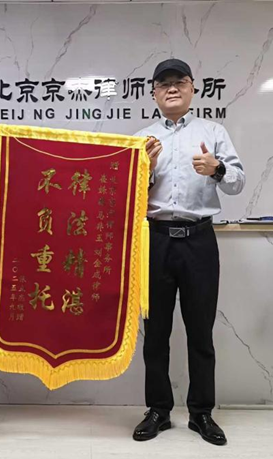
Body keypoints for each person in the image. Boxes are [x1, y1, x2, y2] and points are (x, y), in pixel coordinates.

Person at [132, 59, 245, 446]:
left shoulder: (213, 132)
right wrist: (145, 169)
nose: (172, 89)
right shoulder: (143, 138)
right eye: (163, 84)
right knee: (155, 333)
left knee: (200, 331)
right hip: (156, 240)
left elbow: (237, 182)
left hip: (199, 240)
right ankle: (158, 410)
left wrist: (216, 168)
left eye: (179, 82)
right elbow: (128, 195)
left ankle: (201, 413)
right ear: (153, 93)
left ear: (193, 88)